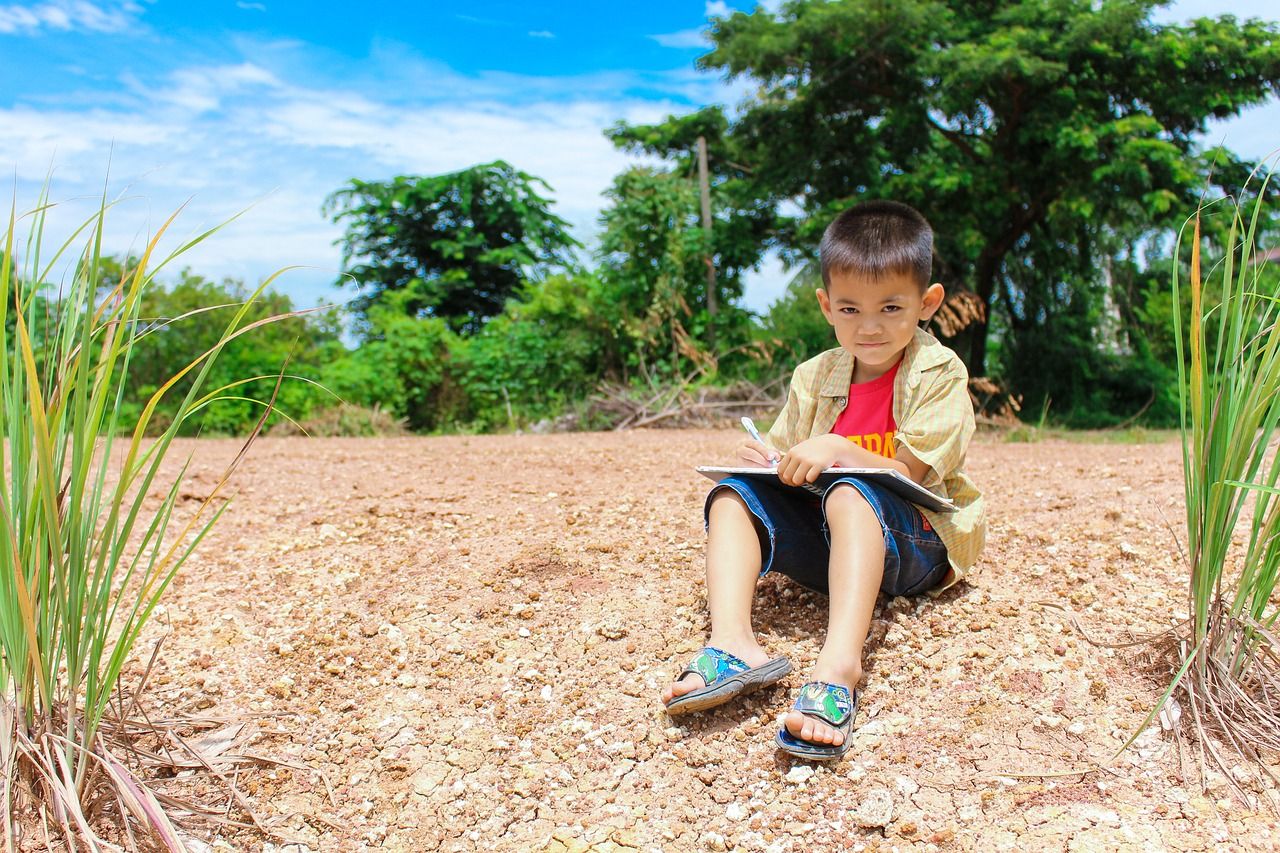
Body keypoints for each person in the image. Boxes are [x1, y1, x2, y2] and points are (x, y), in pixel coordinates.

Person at [661, 200, 986, 761]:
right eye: (850, 308)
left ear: (927, 303)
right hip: (837, 540)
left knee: (851, 489)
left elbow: (911, 474)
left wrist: (838, 448)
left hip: (916, 544)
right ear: (826, 306)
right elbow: (791, 457)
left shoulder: (939, 371)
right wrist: (770, 462)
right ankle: (733, 641)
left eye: (891, 306)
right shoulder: (814, 375)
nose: (870, 326)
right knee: (734, 496)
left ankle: (839, 667)